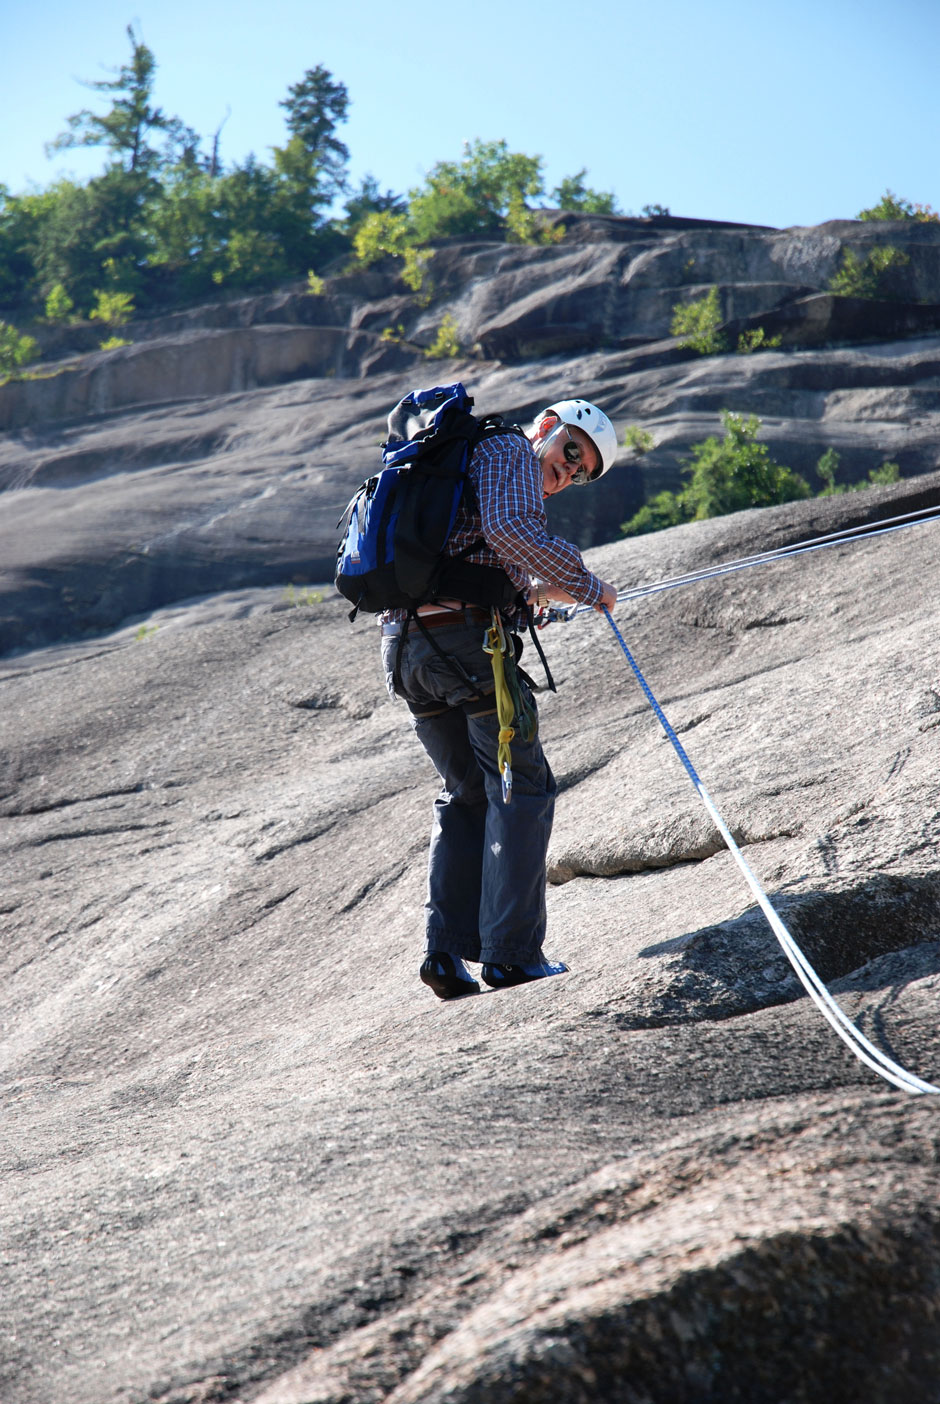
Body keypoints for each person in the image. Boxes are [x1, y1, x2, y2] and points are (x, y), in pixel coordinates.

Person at [380, 396, 618, 1000]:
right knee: (522, 787)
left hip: (407, 649)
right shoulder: (509, 448)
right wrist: (588, 585)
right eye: (569, 450)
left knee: (467, 792)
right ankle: (511, 956)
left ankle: (445, 954)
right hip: (465, 649)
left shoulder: (471, 463)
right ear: (545, 426)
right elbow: (509, 532)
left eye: (582, 471)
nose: (568, 471)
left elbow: (485, 556)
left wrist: (534, 596)